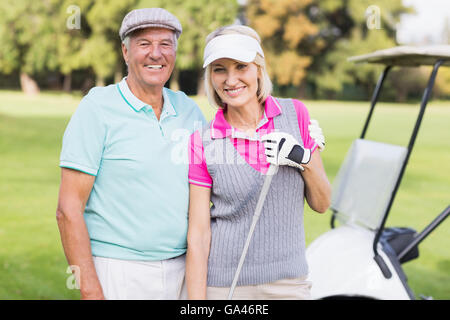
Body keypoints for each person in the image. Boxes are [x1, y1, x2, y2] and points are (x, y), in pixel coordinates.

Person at [56, 8, 206, 300]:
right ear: (125, 52)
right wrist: (90, 289)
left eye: (165, 44)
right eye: (144, 44)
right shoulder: (98, 108)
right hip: (118, 271)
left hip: (184, 270)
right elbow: (68, 210)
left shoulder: (189, 110)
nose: (156, 54)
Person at [185, 25, 331, 300]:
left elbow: (322, 204)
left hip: (289, 284)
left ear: (259, 69)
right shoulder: (202, 141)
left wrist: (304, 158)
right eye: (219, 69)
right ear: (210, 77)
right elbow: (199, 234)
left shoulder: (294, 114)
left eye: (241, 66)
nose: (230, 80)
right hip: (225, 285)